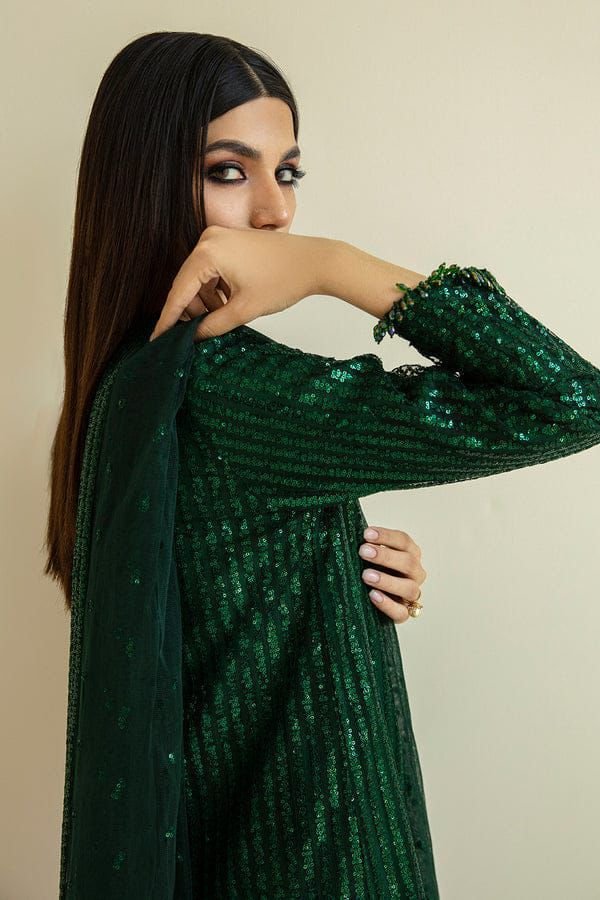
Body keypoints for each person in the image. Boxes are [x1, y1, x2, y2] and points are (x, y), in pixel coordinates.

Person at [44, 32, 600, 900]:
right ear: (144, 183)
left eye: (288, 172)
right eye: (230, 171)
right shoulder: (226, 391)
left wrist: (338, 565)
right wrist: (332, 266)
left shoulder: (126, 388)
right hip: (321, 862)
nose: (276, 212)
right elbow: (571, 399)